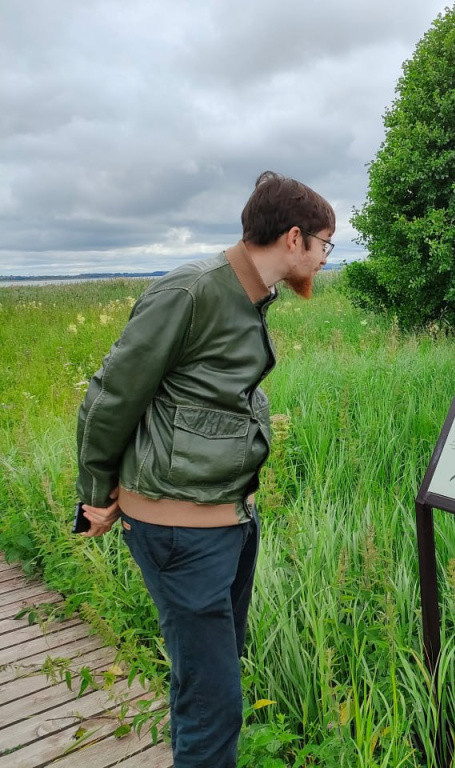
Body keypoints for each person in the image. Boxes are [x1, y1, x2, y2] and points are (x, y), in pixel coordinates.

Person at [75, 171, 335, 767]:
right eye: (325, 243)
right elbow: (111, 397)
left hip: (227, 521)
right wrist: (95, 493)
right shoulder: (192, 291)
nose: (324, 257)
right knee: (214, 706)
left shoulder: (250, 298)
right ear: (294, 238)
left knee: (207, 684)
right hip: (180, 532)